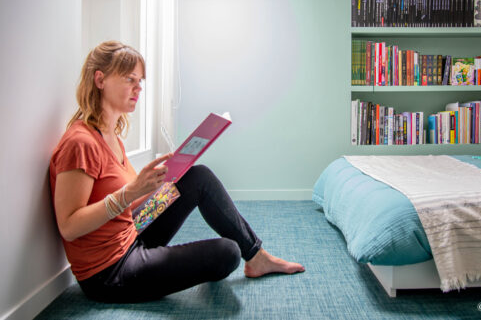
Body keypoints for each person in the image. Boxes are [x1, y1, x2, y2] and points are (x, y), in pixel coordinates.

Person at [49, 41, 304, 303]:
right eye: (129, 79)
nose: (138, 88)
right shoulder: (80, 142)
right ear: (100, 80)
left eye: (140, 81)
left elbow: (125, 202)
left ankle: (256, 256)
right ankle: (233, 257)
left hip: (132, 233)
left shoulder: (111, 135)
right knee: (226, 252)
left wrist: (158, 183)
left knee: (198, 176)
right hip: (109, 271)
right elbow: (69, 226)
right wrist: (130, 192)